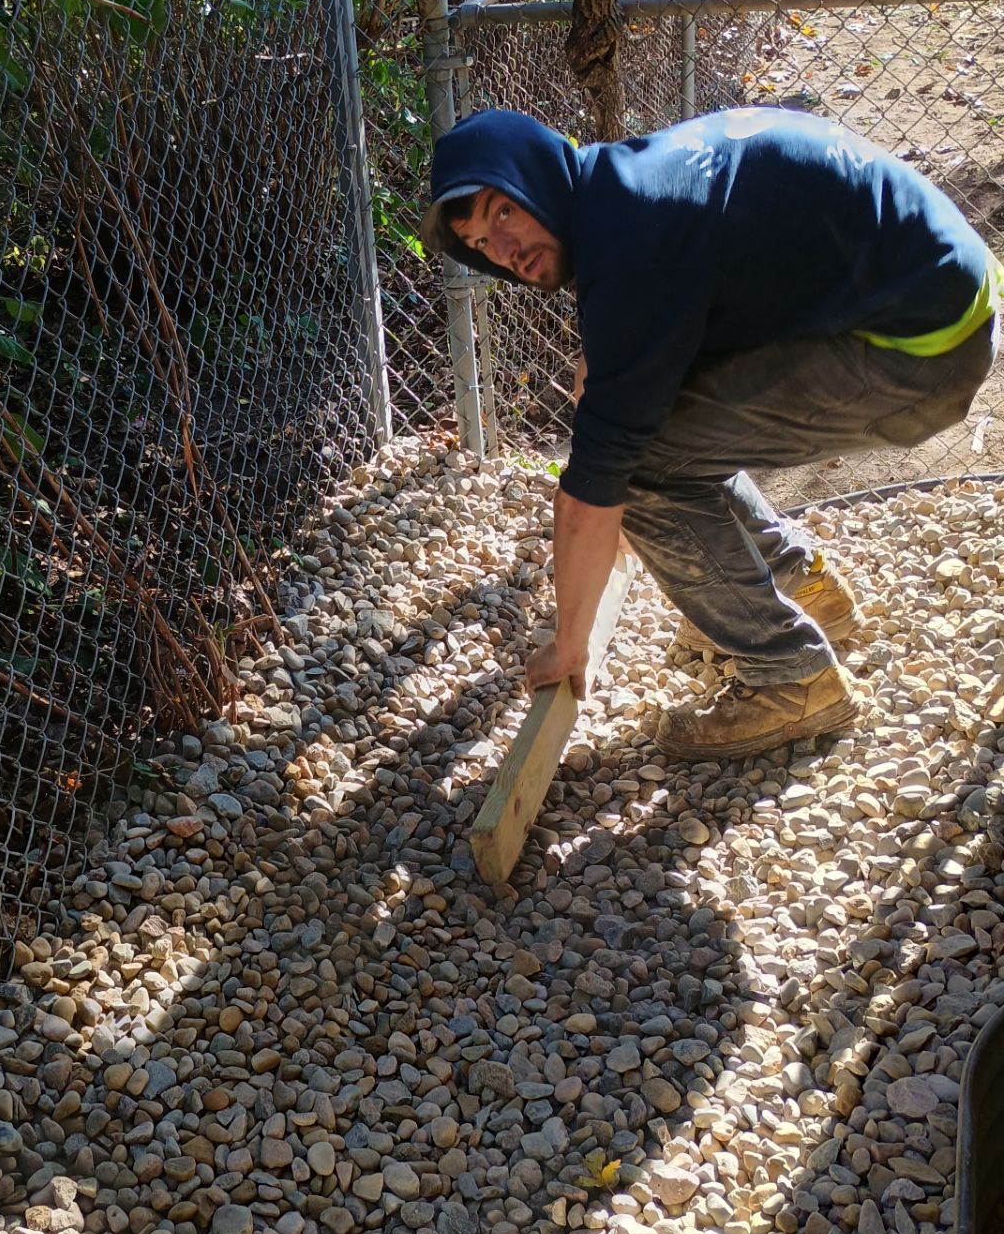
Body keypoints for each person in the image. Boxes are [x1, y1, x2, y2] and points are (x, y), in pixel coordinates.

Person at [421, 106, 999, 759]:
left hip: (921, 352)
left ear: (537, 176)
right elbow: (632, 348)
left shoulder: (632, 241)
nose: (504, 249)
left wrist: (569, 643)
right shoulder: (623, 189)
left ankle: (790, 678)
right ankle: (796, 586)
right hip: (936, 294)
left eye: (504, 212)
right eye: (479, 243)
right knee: (648, 423)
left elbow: (591, 494)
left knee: (635, 469)